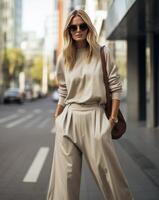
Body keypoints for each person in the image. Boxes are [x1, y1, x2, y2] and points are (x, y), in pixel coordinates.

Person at [46, 9, 133, 200]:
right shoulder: (65, 58)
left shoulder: (103, 52)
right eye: (73, 27)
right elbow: (63, 90)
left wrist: (110, 120)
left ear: (88, 28)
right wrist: (57, 117)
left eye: (82, 26)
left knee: (109, 178)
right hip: (68, 120)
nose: (78, 30)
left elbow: (115, 87)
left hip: (95, 118)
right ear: (68, 30)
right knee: (65, 180)